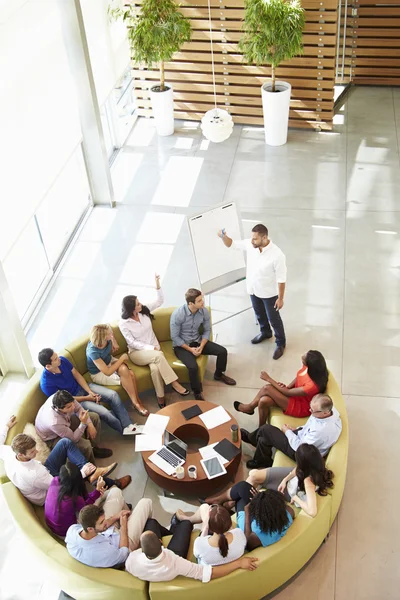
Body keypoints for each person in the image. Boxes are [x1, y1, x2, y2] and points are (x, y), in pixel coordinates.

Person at [0, 416, 122, 506]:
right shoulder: (34, 474)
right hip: (48, 492)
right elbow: (59, 485)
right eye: (32, 452)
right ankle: (110, 483)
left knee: (65, 443)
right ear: (21, 454)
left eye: (35, 449)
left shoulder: (10, 452)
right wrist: (82, 473)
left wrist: (6, 426)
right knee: (74, 472)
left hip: (46, 471)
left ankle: (93, 474)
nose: (36, 452)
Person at [119, 273, 189, 409]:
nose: (140, 305)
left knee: (155, 370)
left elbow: (160, 301)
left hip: (154, 349)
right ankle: (174, 383)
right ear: (131, 309)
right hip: (137, 353)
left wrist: (157, 285)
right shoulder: (124, 323)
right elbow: (132, 342)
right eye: (137, 304)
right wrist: (151, 349)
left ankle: (160, 397)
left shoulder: (143, 311)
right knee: (158, 356)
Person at [218, 223, 287, 360]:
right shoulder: (251, 245)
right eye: (252, 238)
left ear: (264, 237)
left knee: (274, 319)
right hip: (253, 289)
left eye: (255, 238)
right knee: (259, 314)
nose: (252, 241)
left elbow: (281, 279)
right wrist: (223, 237)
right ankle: (265, 332)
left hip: (269, 293)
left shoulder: (277, 255)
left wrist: (280, 298)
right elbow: (231, 244)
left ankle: (281, 343)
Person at [125, 515, 259, 583]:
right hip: (171, 558)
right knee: (186, 523)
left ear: (141, 550)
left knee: (151, 522)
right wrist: (239, 563)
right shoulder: (177, 563)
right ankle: (178, 523)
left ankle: (172, 531)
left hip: (155, 566)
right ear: (161, 543)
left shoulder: (131, 561)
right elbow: (208, 573)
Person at [38, 348, 138, 436]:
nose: (58, 358)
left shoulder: (62, 360)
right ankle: (123, 431)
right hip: (75, 402)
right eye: (55, 359)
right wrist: (88, 398)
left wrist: (89, 391)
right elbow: (66, 401)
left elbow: (77, 375)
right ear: (48, 366)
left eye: (56, 355)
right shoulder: (46, 384)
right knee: (105, 412)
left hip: (83, 387)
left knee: (113, 395)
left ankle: (128, 425)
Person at [241, 393, 343, 469]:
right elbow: (311, 425)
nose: (310, 411)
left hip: (302, 454)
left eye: (313, 411)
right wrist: (299, 429)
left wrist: (287, 431)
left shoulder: (321, 431)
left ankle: (252, 439)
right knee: (263, 439)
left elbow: (300, 446)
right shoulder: (330, 411)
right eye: (310, 407)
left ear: (325, 413)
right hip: (304, 439)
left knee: (265, 429)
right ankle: (262, 461)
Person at [170, 288, 236, 400]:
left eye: (202, 299)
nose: (203, 302)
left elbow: (207, 330)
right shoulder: (178, 314)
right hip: (182, 346)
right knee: (193, 367)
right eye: (199, 300)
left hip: (198, 340)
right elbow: (175, 337)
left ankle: (219, 374)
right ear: (191, 303)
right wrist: (191, 350)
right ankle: (197, 392)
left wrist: (201, 346)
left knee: (222, 351)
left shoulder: (203, 311)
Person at [234, 350, 329, 426]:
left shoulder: (312, 386)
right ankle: (261, 429)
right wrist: (288, 387)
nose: (302, 356)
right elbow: (298, 377)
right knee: (263, 401)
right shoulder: (309, 369)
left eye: (304, 359)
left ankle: (250, 407)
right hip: (295, 396)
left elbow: (288, 393)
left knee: (267, 388)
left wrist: (269, 379)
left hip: (301, 406)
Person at [247, 443, 334, 518]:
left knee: (253, 477)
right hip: (292, 479)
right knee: (253, 474)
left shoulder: (308, 482)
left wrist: (295, 498)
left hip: (291, 491)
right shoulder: (315, 464)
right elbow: (298, 469)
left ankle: (242, 502)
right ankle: (239, 498)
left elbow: (312, 512)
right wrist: (284, 480)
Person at [66, 497, 153, 567]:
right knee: (146, 502)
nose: (105, 522)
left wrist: (116, 517)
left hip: (107, 533)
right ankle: (148, 529)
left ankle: (130, 517)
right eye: (101, 522)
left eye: (103, 519)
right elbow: (124, 552)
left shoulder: (73, 530)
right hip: (123, 543)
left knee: (116, 492)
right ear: (90, 529)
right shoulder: (103, 553)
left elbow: (101, 525)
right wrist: (124, 526)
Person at [205, 484, 294, 551]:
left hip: (248, 526)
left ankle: (222, 504)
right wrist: (259, 500)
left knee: (240, 496)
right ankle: (222, 504)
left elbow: (247, 543)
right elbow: (284, 507)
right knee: (244, 487)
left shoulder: (259, 536)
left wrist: (247, 512)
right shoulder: (288, 514)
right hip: (261, 518)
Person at [86, 324, 149, 417]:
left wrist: (114, 341)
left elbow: (113, 341)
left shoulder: (107, 339)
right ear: (102, 337)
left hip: (109, 360)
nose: (111, 334)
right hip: (99, 373)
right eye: (109, 334)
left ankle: (136, 401)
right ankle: (136, 403)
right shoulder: (93, 352)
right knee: (129, 375)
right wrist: (122, 358)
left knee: (129, 373)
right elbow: (107, 372)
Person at [35, 389, 113, 463]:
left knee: (94, 418)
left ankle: (94, 448)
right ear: (59, 409)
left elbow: (79, 408)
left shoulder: (63, 396)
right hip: (52, 437)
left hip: (65, 421)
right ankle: (91, 471)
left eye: (73, 403)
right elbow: (74, 439)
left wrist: (90, 424)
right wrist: (83, 423)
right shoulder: (54, 422)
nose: (73, 407)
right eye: (69, 407)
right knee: (85, 445)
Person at [45, 464, 108, 536]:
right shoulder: (75, 499)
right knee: (108, 494)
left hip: (50, 525)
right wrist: (97, 490)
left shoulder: (55, 480)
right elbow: (86, 509)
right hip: (65, 532)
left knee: (101, 496)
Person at [174, 504, 247, 566]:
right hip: (230, 561)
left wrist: (206, 525)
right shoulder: (240, 534)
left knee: (204, 506)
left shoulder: (199, 544)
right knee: (206, 508)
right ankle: (187, 519)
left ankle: (187, 519)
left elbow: (197, 555)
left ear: (210, 529)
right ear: (230, 523)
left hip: (208, 565)